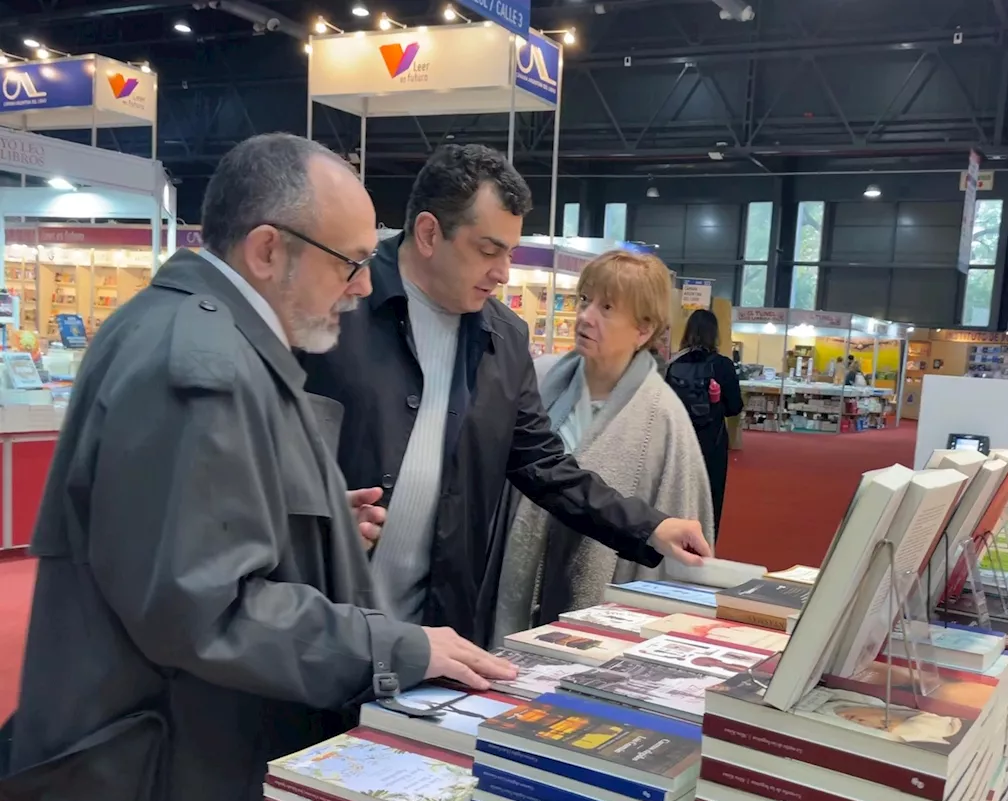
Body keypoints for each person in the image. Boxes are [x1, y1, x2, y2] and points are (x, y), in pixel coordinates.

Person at [0, 133, 515, 801]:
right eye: (348, 263)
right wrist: (398, 646)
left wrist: (303, 524)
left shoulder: (217, 338)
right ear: (269, 249)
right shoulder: (196, 364)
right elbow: (207, 607)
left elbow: (186, 533)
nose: (357, 289)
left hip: (187, 769)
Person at [301, 144, 711, 645]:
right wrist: (304, 511)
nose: (503, 273)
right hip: (315, 624)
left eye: (511, 253)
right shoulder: (334, 305)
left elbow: (544, 466)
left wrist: (649, 527)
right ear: (429, 233)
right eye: (489, 250)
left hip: (434, 635)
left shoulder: (503, 338)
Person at [491, 251, 715, 642]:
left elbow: (678, 541)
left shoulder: (663, 420)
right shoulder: (542, 382)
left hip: (603, 619)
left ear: (643, 330)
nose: (585, 316)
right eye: (584, 300)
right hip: (520, 592)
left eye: (607, 307)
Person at [666, 307, 743, 539]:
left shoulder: (673, 364)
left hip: (680, 441)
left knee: (678, 494)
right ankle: (705, 545)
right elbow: (734, 408)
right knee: (711, 497)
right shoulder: (723, 366)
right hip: (712, 442)